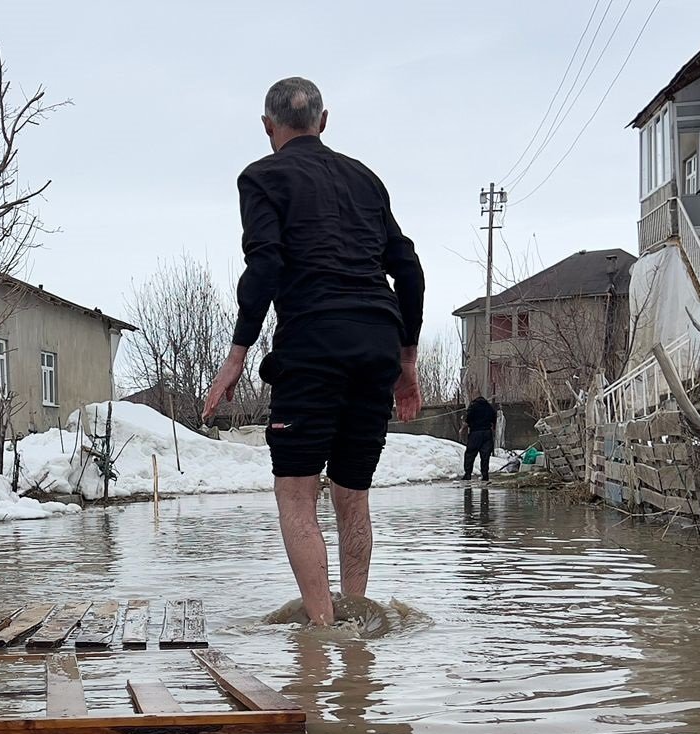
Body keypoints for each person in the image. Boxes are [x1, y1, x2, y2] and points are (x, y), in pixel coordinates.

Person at [202, 76, 424, 627]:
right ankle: (356, 629)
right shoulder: (367, 180)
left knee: (297, 497)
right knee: (353, 494)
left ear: (267, 127)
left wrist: (236, 355)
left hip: (313, 344)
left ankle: (324, 636)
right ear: (324, 121)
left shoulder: (261, 177)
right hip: (376, 342)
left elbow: (266, 265)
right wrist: (407, 360)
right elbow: (409, 269)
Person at [463, 393, 497, 483]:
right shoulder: (489, 407)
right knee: (485, 456)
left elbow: (468, 419)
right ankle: (485, 475)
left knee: (470, 454)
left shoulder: (473, 407)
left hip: (475, 433)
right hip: (487, 433)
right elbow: (494, 419)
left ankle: (467, 474)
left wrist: (464, 428)